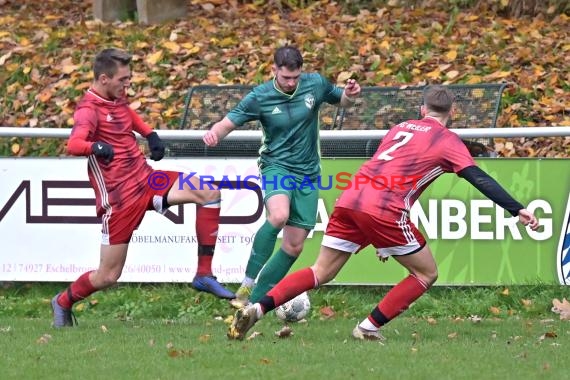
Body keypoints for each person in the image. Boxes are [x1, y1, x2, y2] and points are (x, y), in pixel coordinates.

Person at [227, 85, 540, 340]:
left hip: (352, 197)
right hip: (384, 209)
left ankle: (257, 308)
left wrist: (381, 238)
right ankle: (367, 327)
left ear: (422, 109)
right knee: (426, 273)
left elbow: (397, 176)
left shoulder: (400, 128)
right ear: (452, 113)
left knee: (321, 271)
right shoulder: (446, 140)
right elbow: (478, 177)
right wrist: (518, 209)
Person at [51, 48, 235, 328]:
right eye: (122, 80)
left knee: (208, 191)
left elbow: (128, 116)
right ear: (103, 79)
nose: (127, 86)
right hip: (120, 198)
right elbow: (74, 144)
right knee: (108, 276)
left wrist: (150, 134)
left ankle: (203, 274)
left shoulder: (117, 98)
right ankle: (63, 301)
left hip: (146, 179)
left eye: (129, 79)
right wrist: (96, 147)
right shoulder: (88, 111)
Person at [203, 45, 361, 309]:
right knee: (278, 216)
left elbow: (341, 100)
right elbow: (228, 122)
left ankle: (251, 305)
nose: (290, 83)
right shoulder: (260, 96)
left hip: (309, 172)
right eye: (285, 77)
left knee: (294, 246)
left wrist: (349, 95)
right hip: (276, 165)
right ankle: (247, 282)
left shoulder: (315, 84)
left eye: (295, 78)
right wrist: (214, 134)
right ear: (274, 70)